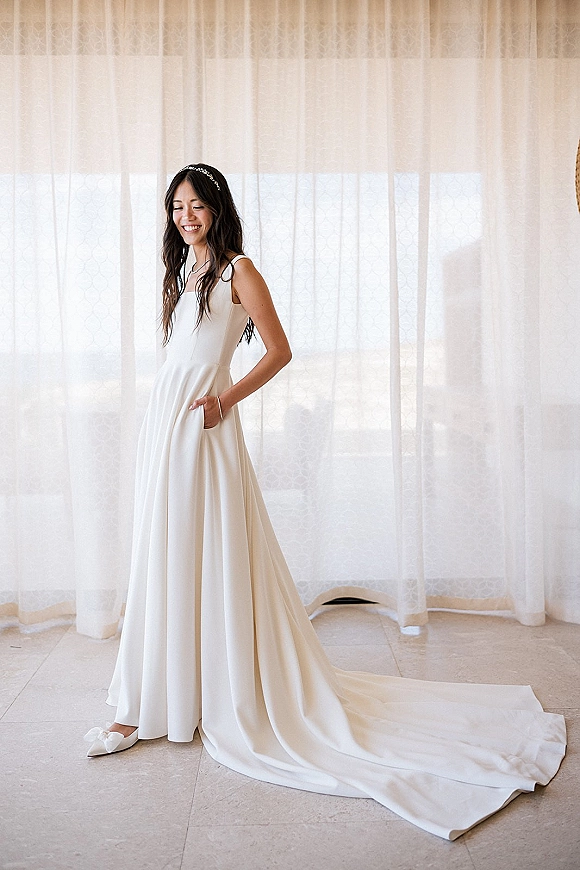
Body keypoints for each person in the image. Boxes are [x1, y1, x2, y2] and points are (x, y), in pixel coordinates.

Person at [84, 164, 566, 840]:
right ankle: (155, 699)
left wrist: (223, 401)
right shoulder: (182, 276)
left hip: (204, 425)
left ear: (217, 208)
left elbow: (279, 350)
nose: (185, 215)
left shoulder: (236, 270)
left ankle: (194, 698)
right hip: (167, 425)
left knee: (207, 554)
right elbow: (178, 356)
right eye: (176, 207)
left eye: (195, 205)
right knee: (166, 556)